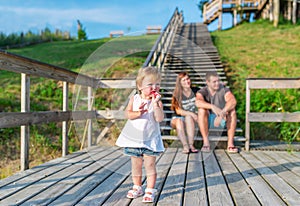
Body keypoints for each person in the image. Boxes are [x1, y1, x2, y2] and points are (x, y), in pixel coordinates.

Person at [116, 66, 164, 203]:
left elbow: (159, 118)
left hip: (150, 140)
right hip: (134, 139)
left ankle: (150, 189)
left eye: (157, 84)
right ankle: (137, 186)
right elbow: (127, 114)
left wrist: (155, 105)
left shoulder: (157, 102)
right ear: (140, 86)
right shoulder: (135, 99)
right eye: (150, 84)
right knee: (136, 165)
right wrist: (139, 113)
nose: (154, 87)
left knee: (150, 165)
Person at [195, 71, 238, 153]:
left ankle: (230, 144)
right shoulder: (203, 91)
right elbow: (198, 102)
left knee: (232, 111)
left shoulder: (224, 90)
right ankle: (206, 142)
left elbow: (232, 101)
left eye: (218, 81)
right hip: (208, 121)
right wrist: (212, 107)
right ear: (207, 82)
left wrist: (222, 113)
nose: (217, 83)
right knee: (201, 110)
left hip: (222, 120)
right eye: (214, 82)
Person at [171, 72, 198, 154]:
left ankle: (191, 145)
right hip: (177, 118)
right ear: (180, 83)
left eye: (188, 79)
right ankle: (185, 145)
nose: (187, 81)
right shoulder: (177, 93)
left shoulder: (196, 91)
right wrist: (192, 113)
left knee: (188, 118)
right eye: (184, 80)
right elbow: (178, 111)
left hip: (190, 119)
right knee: (180, 121)